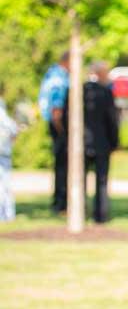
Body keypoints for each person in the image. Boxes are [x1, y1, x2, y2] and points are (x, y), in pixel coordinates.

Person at [83, 61, 119, 223]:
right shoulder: (106, 93)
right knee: (102, 181)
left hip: (81, 144)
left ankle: (80, 211)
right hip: (102, 143)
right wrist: (114, 142)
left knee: (79, 181)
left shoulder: (78, 91)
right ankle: (101, 215)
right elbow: (112, 120)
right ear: (100, 74)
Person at [38, 52, 70, 213]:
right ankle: (60, 202)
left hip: (55, 125)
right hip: (59, 126)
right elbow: (56, 109)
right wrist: (62, 130)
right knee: (62, 165)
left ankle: (59, 201)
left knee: (60, 165)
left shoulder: (52, 73)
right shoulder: (59, 77)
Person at [0, 97, 18, 222]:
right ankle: (8, 214)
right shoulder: (8, 121)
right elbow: (14, 133)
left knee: (4, 186)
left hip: (3, 156)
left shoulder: (5, 120)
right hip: (5, 154)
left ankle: (6, 214)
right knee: (5, 185)